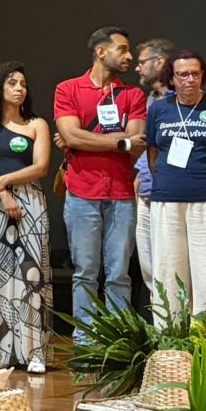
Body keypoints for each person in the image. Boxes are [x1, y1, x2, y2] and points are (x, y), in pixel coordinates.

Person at [54, 27, 146, 344]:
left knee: (119, 272)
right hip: (81, 192)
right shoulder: (68, 89)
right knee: (85, 272)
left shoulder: (133, 95)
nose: (129, 56)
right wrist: (118, 142)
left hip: (121, 193)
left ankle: (118, 340)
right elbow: (71, 135)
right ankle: (87, 339)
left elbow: (137, 141)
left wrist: (91, 141)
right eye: (123, 49)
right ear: (101, 52)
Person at [0, 61, 53, 373]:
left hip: (29, 201)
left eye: (23, 84)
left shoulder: (37, 124)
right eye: (12, 83)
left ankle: (34, 353)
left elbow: (40, 166)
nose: (19, 89)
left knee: (30, 274)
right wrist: (2, 194)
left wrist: (6, 183)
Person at [146, 50, 206, 316]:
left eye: (195, 73)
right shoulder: (159, 109)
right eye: (183, 74)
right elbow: (152, 153)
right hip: (167, 200)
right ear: (172, 78)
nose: (190, 80)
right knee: (168, 273)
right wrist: (168, 181)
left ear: (203, 75)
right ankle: (170, 345)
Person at [132, 38, 174, 306]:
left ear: (159, 62)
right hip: (145, 195)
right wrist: (138, 175)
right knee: (149, 269)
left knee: (171, 268)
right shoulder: (147, 100)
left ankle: (183, 337)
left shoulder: (181, 101)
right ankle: (162, 339)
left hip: (170, 196)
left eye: (141, 62)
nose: (137, 68)